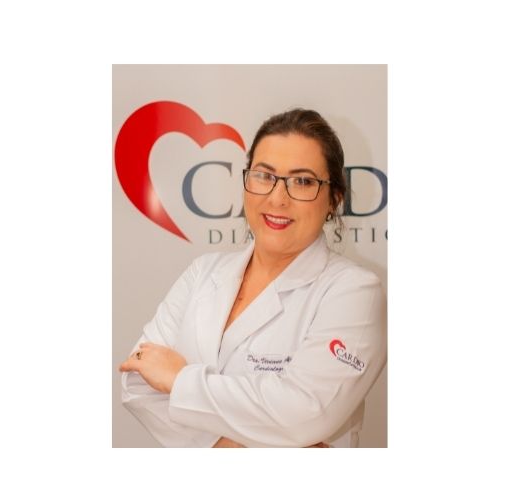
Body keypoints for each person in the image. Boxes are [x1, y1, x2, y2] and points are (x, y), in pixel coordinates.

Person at [119, 108, 387, 448]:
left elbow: (306, 414)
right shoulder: (203, 272)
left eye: (303, 181)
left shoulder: (355, 292)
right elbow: (136, 383)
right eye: (264, 175)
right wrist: (233, 447)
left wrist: (178, 381)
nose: (277, 198)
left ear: (334, 199)